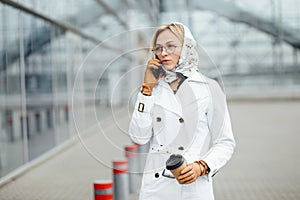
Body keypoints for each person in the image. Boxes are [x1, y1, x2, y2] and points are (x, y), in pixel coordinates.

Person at [129, 23, 236, 200]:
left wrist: (202, 166)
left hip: (194, 186)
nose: (163, 53)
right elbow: (138, 137)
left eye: (171, 46)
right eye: (158, 48)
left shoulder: (210, 88)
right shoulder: (151, 89)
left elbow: (225, 142)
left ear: (187, 47)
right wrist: (146, 89)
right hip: (156, 188)